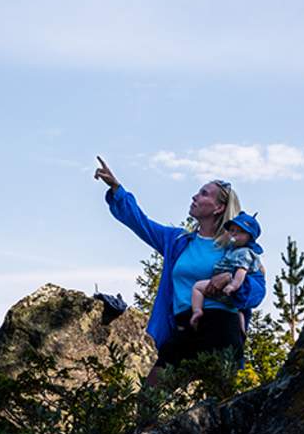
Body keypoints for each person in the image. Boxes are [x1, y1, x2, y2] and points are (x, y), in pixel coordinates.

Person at [92, 157, 265, 387]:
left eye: (204, 193)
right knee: (150, 398)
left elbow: (257, 292)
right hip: (184, 326)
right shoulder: (178, 241)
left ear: (219, 207)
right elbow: (141, 223)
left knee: (221, 406)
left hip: (222, 327)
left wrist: (232, 281)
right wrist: (117, 188)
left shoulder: (237, 247)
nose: (195, 196)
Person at [191, 211, 264, 330]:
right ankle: (240, 323)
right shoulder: (231, 250)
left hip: (233, 286)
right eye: (232, 230)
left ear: (250, 237)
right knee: (238, 310)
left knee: (197, 287)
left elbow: (241, 271)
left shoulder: (244, 252)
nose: (234, 234)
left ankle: (197, 310)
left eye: (240, 232)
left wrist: (233, 285)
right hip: (224, 288)